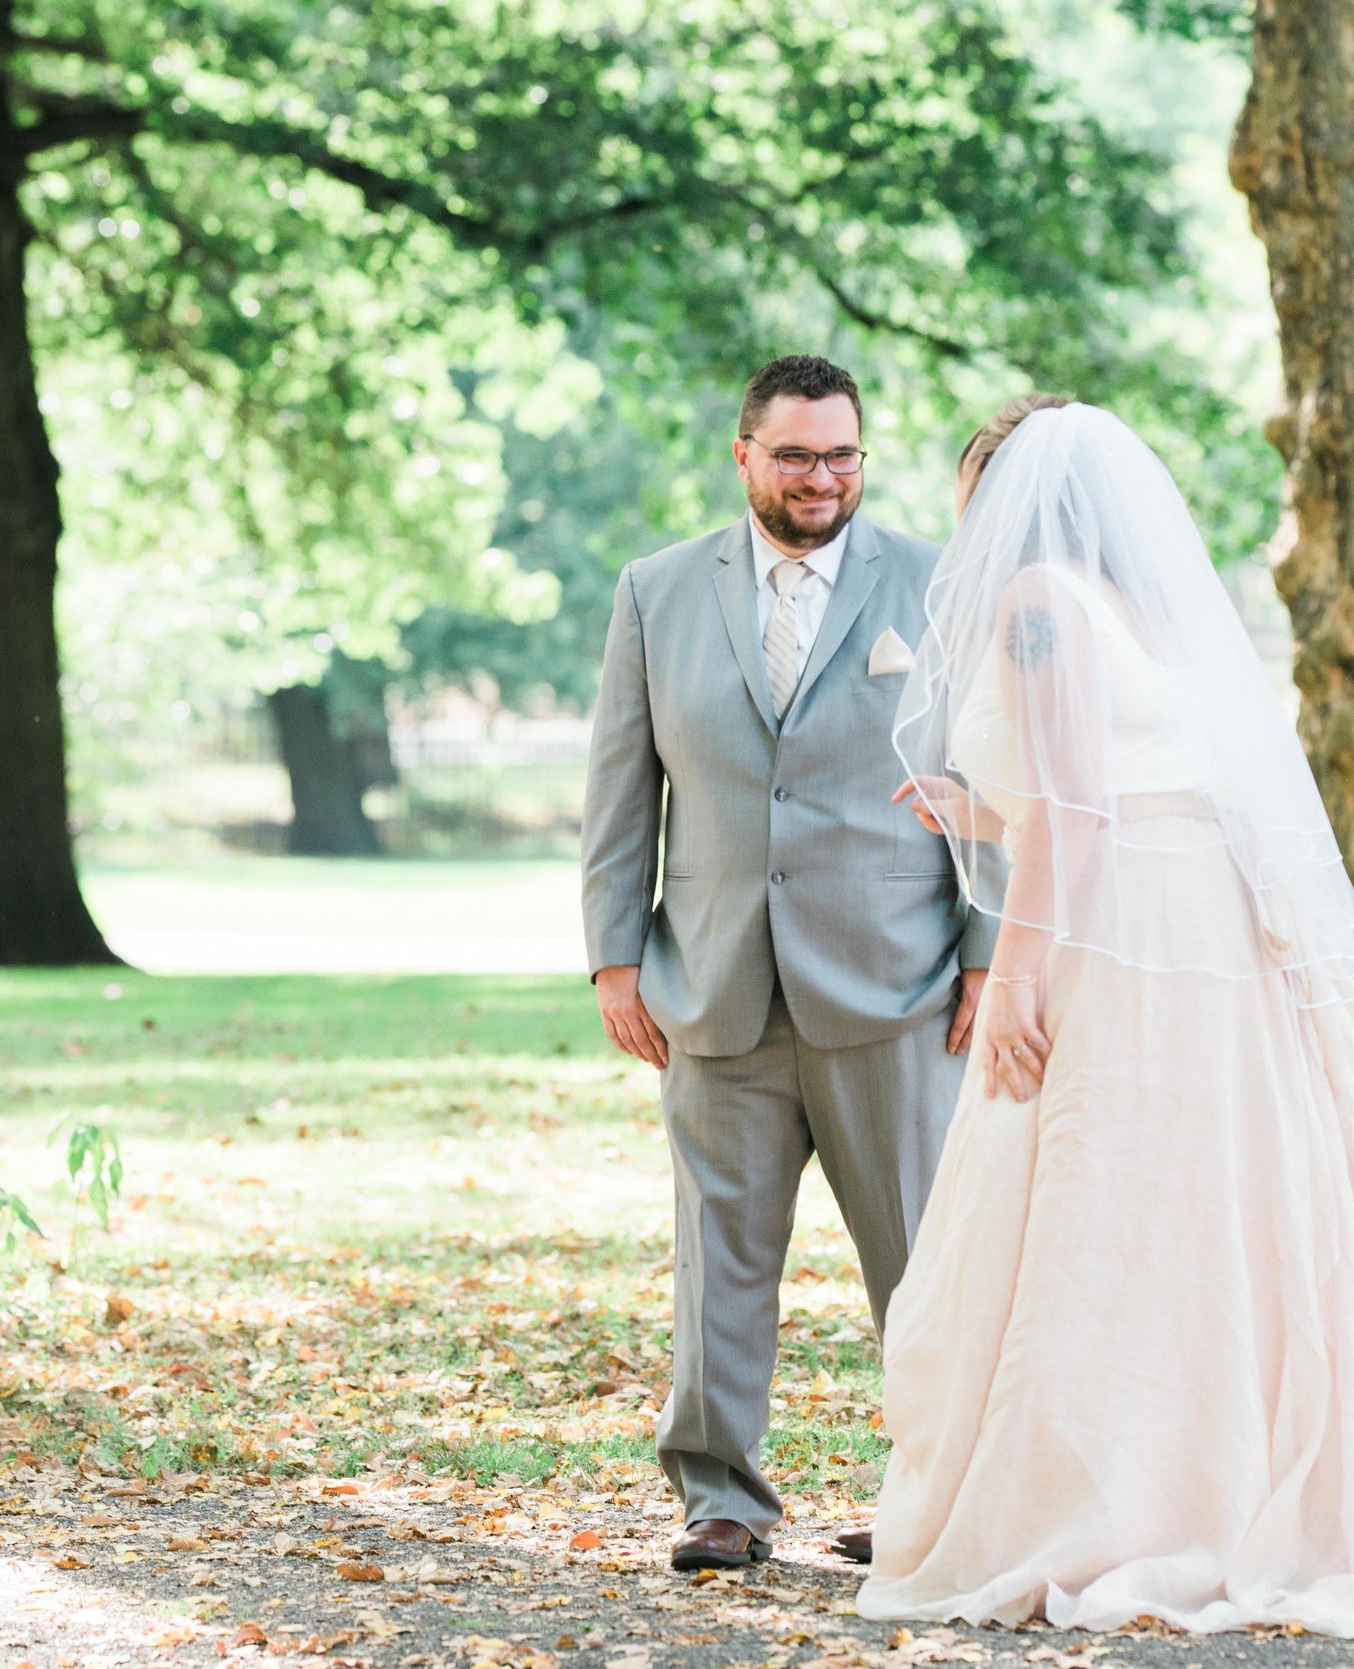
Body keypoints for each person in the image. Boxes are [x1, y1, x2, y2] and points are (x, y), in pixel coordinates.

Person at [854, 398, 1354, 1652]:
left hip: (1128, 932)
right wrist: (974, 812)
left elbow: (1080, 815)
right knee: (1202, 1188)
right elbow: (1116, 784)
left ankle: (1118, 1492)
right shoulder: (1142, 613)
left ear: (1003, 498)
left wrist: (1013, 975)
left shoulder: (1039, 605)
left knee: (1098, 1181)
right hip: (1202, 923)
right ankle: (1221, 1467)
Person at [580, 355, 1002, 1572]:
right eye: (797, 456)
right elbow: (621, 788)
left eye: (843, 456)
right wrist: (615, 956)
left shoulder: (934, 586)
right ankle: (721, 1498)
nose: (822, 479)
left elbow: (993, 782)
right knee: (720, 1258)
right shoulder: (656, 592)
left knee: (922, 1262)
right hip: (712, 982)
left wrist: (985, 950)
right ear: (744, 457)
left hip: (900, 983)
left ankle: (938, 1498)